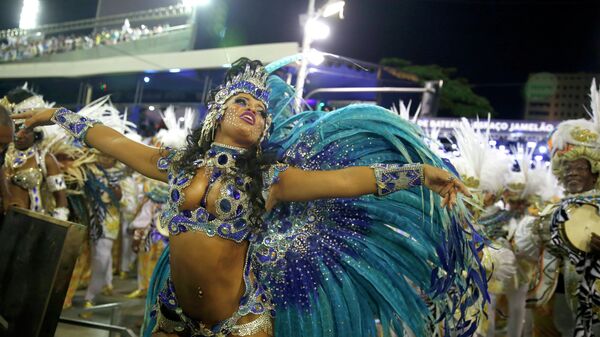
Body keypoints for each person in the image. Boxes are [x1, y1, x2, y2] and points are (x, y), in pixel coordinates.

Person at [14, 56, 483, 337]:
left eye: (260, 111)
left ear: (264, 131)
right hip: (174, 312)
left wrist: (421, 173)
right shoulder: (177, 166)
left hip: (239, 323)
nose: (252, 111)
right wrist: (53, 113)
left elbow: (349, 180)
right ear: (219, 109)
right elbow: (109, 141)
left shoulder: (272, 180)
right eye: (243, 102)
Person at [515, 79, 600, 337]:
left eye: (579, 166)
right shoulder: (551, 210)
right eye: (566, 168)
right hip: (550, 298)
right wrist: (538, 233)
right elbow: (522, 248)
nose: (571, 173)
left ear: (595, 169)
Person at [0, 87, 68, 220]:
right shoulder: (4, 154)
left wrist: (56, 225)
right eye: (17, 129)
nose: (20, 135)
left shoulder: (45, 159)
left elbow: (61, 200)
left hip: (32, 227)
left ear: (36, 131)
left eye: (26, 130)